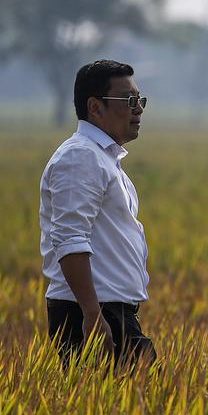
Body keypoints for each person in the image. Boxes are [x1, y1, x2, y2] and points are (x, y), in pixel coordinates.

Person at [39, 59, 156, 367]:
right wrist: (92, 314)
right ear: (95, 107)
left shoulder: (103, 159)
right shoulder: (80, 157)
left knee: (137, 406)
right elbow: (69, 239)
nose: (138, 109)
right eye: (129, 101)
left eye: (140, 100)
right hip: (90, 313)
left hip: (110, 311)